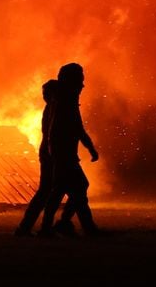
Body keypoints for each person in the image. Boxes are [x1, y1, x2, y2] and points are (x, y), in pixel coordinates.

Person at [39, 62, 100, 237]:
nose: (82, 85)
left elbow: (76, 127)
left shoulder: (63, 98)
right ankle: (56, 226)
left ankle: (60, 225)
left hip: (62, 153)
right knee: (74, 187)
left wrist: (89, 148)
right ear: (70, 81)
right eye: (80, 80)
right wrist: (89, 149)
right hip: (63, 154)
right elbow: (66, 128)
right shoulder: (65, 100)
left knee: (65, 189)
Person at [13, 79, 64, 236]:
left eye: (45, 94)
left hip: (49, 153)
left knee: (50, 190)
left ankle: (30, 227)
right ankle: (43, 227)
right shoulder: (53, 109)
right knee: (51, 190)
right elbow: (52, 134)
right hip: (51, 154)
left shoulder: (52, 108)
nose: (44, 97)